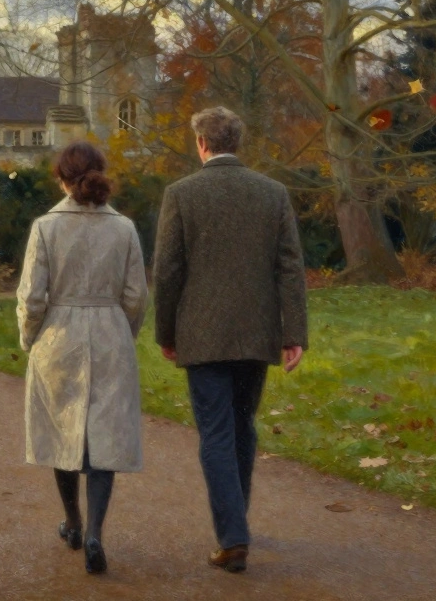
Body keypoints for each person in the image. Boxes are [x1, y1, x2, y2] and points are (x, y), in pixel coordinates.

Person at [153, 107, 308, 573]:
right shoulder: (273, 194)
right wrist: (293, 332)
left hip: (202, 335)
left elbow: (167, 272)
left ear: (201, 143)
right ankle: (236, 523)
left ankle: (233, 536)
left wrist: (166, 332)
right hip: (257, 333)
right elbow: (290, 268)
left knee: (217, 433)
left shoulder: (181, 194)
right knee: (242, 426)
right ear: (236, 142)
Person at [17, 141, 148, 575]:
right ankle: (95, 531)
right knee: (104, 436)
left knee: (63, 431)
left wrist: (29, 338)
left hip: (59, 336)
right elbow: (136, 296)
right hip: (109, 332)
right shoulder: (125, 229)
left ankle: (72, 523)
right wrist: (122, 333)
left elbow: (32, 298)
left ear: (61, 177)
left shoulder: (45, 227)